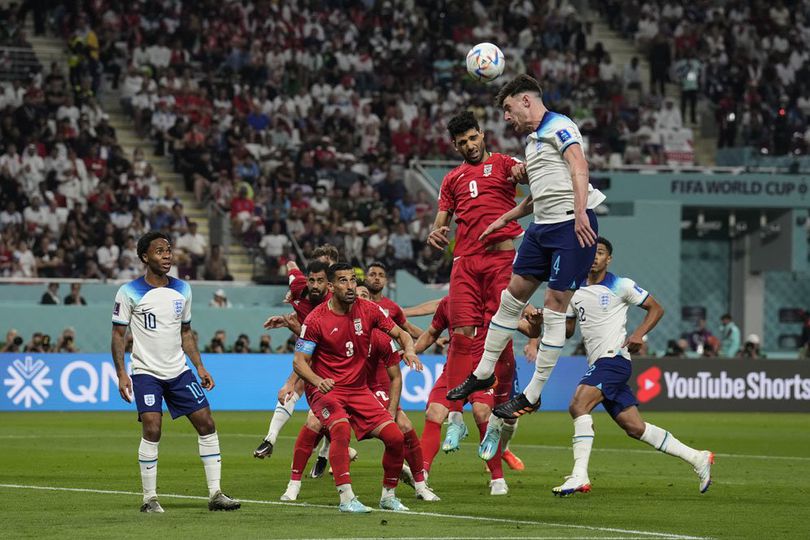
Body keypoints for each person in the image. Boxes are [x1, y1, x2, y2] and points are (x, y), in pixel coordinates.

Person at [449, 75, 605, 425]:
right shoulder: (533, 144)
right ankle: (484, 372)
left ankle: (532, 395)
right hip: (542, 229)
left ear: (525, 101)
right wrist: (500, 219)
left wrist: (581, 212)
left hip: (570, 226)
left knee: (553, 308)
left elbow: (579, 166)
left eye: (508, 109)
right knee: (511, 298)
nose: (506, 118)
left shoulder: (560, 126)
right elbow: (538, 198)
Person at [527, 237, 713, 496]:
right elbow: (568, 331)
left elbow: (656, 309)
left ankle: (580, 474)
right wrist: (545, 319)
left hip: (614, 359)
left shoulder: (620, 284)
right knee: (635, 427)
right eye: (591, 252)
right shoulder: (573, 290)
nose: (594, 257)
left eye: (600, 253)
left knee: (578, 405)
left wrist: (638, 334)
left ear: (609, 259)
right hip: (599, 363)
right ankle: (697, 457)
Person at [111, 231, 240, 513]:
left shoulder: (183, 289)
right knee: (153, 428)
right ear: (145, 257)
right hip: (146, 372)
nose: (167, 255)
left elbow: (185, 332)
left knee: (207, 423)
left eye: (168, 250)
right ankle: (149, 498)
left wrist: (200, 366)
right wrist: (122, 373)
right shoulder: (128, 291)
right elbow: (119, 335)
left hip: (179, 371)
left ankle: (216, 493)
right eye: (159, 251)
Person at [425, 110, 525, 464]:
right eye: (462, 141)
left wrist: (524, 172)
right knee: (461, 334)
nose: (469, 144)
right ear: (455, 146)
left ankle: (498, 413)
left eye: (473, 137)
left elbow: (529, 178)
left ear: (483, 135)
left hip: (500, 260)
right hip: (464, 263)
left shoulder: (503, 164)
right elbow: (441, 221)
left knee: (499, 332)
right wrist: (436, 232)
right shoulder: (451, 179)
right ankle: (456, 417)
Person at [292, 262, 420, 513]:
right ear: (330, 286)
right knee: (340, 430)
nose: (350, 286)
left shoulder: (368, 309)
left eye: (352, 280)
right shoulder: (316, 319)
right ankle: (346, 497)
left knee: (395, 437)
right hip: (324, 390)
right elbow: (299, 363)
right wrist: (319, 381)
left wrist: (410, 350)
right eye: (343, 281)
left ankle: (388, 496)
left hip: (358, 390)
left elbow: (402, 333)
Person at [414, 296, 522, 495]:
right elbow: (431, 333)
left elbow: (523, 324)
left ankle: (497, 478)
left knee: (482, 412)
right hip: (453, 372)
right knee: (434, 412)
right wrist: (411, 351)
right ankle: (422, 475)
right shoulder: (450, 303)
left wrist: (534, 328)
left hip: (483, 372)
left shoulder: (494, 302)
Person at [364, 262, 423, 338]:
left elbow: (410, 329)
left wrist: (435, 339)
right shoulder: (355, 303)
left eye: (381, 275)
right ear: (365, 279)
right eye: (372, 274)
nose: (377, 278)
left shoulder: (393, 307)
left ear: (386, 280)